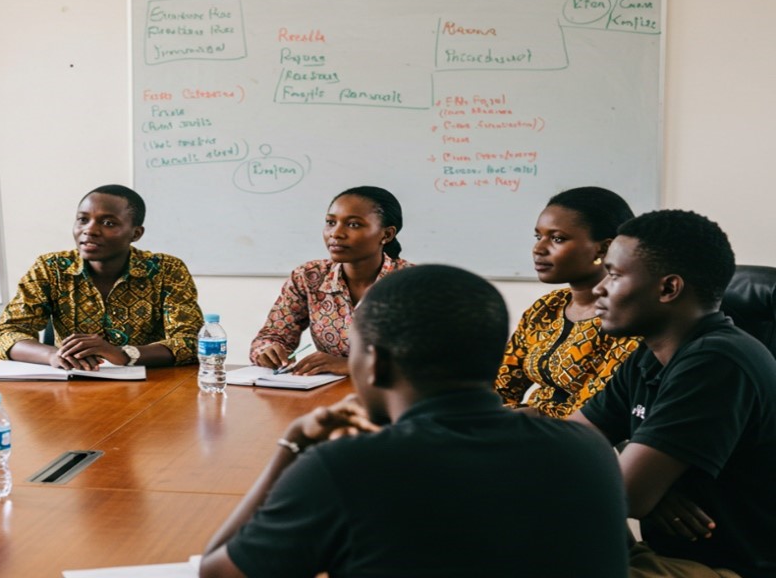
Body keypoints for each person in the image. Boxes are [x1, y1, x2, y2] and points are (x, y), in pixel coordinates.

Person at [201, 265, 629, 578]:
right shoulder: (587, 449)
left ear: (374, 363)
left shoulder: (346, 466)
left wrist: (293, 447)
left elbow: (218, 573)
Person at [571, 210, 776, 578]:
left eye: (614, 275)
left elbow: (625, 496)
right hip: (666, 558)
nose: (599, 288)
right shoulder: (649, 356)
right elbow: (569, 441)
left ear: (668, 289)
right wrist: (648, 491)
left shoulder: (717, 361)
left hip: (728, 569)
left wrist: (637, 490)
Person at [0, 184, 204, 370]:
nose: (90, 230)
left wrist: (123, 354)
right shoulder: (51, 268)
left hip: (152, 387)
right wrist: (52, 355)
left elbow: (191, 342)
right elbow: (5, 334)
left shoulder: (166, 270)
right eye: (83, 219)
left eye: (108, 223)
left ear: (136, 233)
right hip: (73, 385)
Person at [495, 186, 641, 418]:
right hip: (522, 427)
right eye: (538, 237)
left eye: (557, 239)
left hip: (580, 434)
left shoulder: (626, 320)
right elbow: (501, 386)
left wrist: (518, 418)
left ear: (603, 248)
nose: (538, 249)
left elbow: (594, 411)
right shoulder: (547, 307)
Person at [249, 186, 412, 376]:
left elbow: (436, 358)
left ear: (387, 234)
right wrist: (268, 351)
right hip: (326, 390)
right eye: (330, 222)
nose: (336, 233)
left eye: (353, 224)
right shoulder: (309, 277)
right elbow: (271, 336)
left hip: (394, 391)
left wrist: (352, 366)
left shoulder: (414, 284)